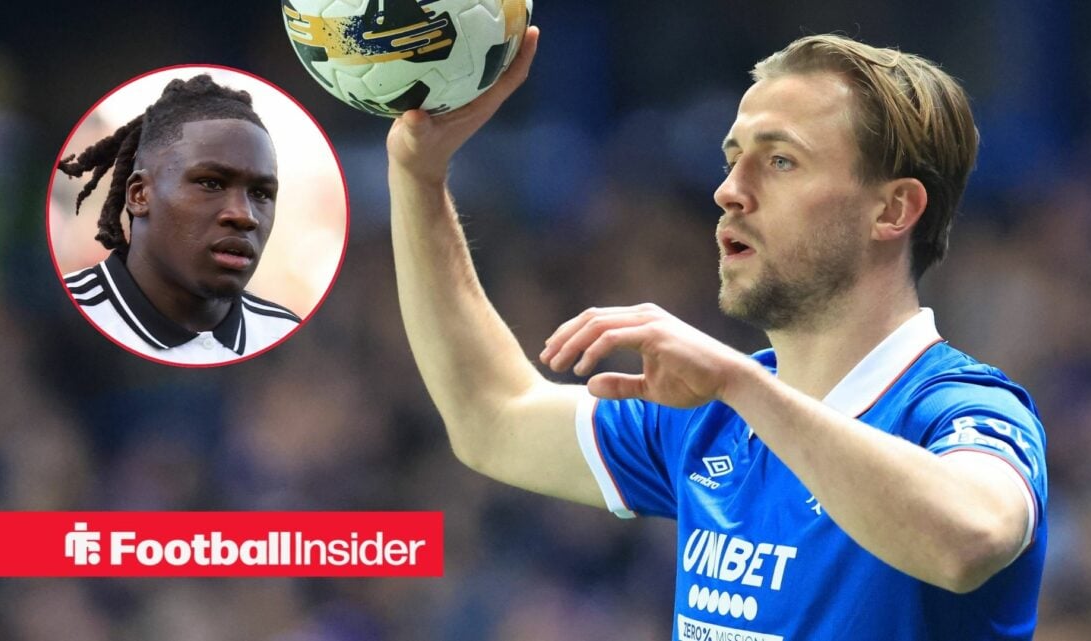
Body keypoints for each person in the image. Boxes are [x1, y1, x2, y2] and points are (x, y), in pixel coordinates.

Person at [388, 27, 1046, 641]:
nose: (730, 191)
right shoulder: (709, 418)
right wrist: (419, 177)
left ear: (893, 209)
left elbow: (971, 539)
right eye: (734, 159)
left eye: (781, 160)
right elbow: (491, 418)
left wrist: (741, 383)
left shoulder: (961, 408)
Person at [56, 74, 301, 366]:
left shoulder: (284, 334)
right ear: (139, 195)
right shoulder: (61, 322)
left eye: (261, 193)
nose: (244, 215)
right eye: (211, 184)